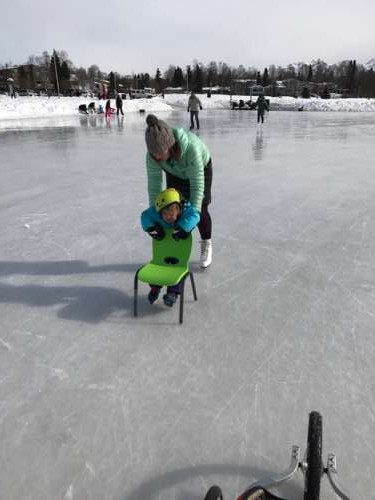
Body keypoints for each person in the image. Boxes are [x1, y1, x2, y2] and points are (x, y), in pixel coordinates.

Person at [144, 114, 213, 268]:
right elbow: (154, 188)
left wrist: (189, 223)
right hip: (174, 172)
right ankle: (173, 245)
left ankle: (206, 243)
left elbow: (196, 187)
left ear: (170, 145)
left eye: (160, 153)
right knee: (170, 206)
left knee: (200, 206)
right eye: (154, 154)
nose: (157, 157)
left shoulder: (191, 149)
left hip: (201, 167)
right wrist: (156, 218)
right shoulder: (153, 157)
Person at [141, 188, 200, 306]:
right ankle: (155, 288)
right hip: (163, 249)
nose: (168, 216)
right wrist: (151, 228)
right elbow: (145, 216)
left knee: (177, 269)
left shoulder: (185, 210)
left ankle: (173, 293)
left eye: (171, 211)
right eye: (165, 213)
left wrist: (184, 227)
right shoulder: (156, 213)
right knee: (158, 267)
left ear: (178, 208)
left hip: (179, 251)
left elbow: (196, 215)